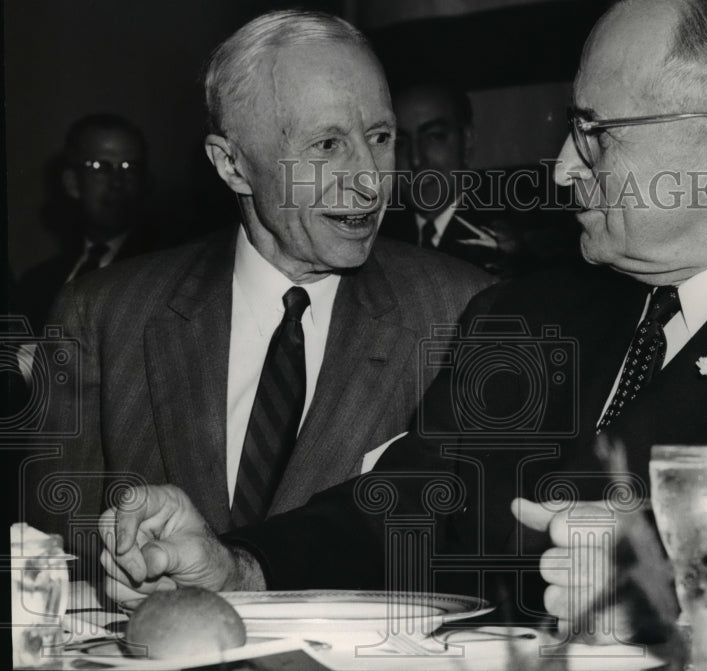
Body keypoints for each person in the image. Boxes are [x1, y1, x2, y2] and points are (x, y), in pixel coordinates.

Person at [100, 0, 707, 632]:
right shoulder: (523, 318)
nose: (565, 169)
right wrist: (238, 566)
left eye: (594, 131)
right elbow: (408, 505)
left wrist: (672, 611)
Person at [25, 10, 492, 580]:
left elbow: (480, 565)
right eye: (327, 145)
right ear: (232, 165)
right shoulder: (101, 317)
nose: (370, 179)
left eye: (379, 137)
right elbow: (51, 572)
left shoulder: (465, 312)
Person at [15, 114, 157, 333]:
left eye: (129, 167)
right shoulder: (37, 282)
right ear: (72, 183)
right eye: (100, 166)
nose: (118, 182)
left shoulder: (159, 271)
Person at [379, 83, 525, 274]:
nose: (415, 159)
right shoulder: (378, 239)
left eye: (434, 137)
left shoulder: (507, 242)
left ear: (467, 141)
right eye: (400, 143)